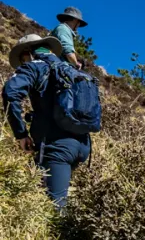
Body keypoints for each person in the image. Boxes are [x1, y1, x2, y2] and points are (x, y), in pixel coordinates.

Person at [3, 34, 92, 208]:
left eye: (22, 60)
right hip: (83, 144)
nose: (22, 64)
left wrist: (21, 134)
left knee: (55, 208)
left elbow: (10, 93)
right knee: (44, 191)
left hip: (57, 146)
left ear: (28, 53)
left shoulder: (35, 67)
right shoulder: (70, 69)